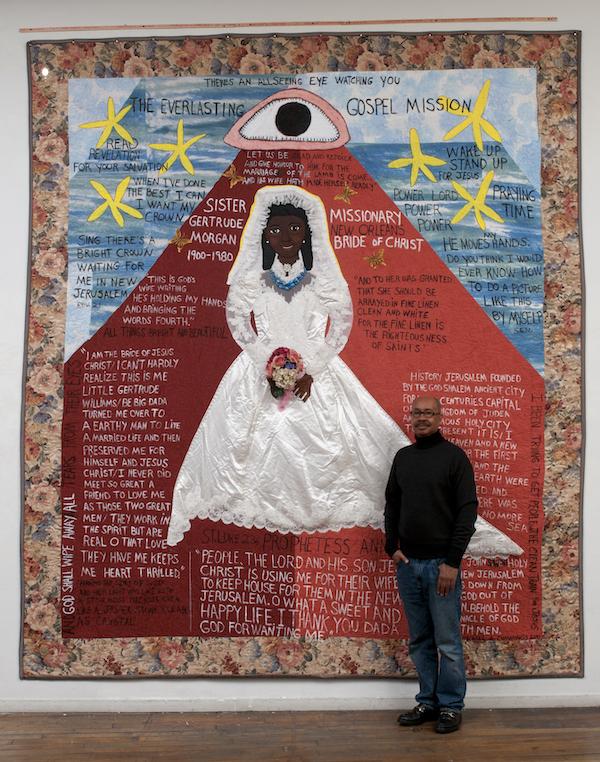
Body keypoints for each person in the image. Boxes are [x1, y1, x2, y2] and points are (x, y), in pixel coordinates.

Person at [167, 185, 410, 544]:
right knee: (242, 446)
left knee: (347, 444)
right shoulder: (255, 280)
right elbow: (237, 318)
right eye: (277, 230)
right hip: (257, 370)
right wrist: (263, 362)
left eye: (295, 230)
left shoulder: (321, 281)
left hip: (317, 374)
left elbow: (341, 322)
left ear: (308, 235)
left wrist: (313, 369)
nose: (286, 237)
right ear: (264, 235)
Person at [384, 395, 476, 734]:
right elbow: (391, 505)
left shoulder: (454, 458)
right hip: (408, 566)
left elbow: (468, 512)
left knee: (447, 641)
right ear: (411, 418)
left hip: (442, 567)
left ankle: (451, 706)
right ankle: (428, 701)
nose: (422, 418)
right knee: (420, 639)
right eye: (417, 413)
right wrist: (390, 546)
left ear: (439, 417)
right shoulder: (403, 458)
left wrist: (452, 562)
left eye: (428, 413)